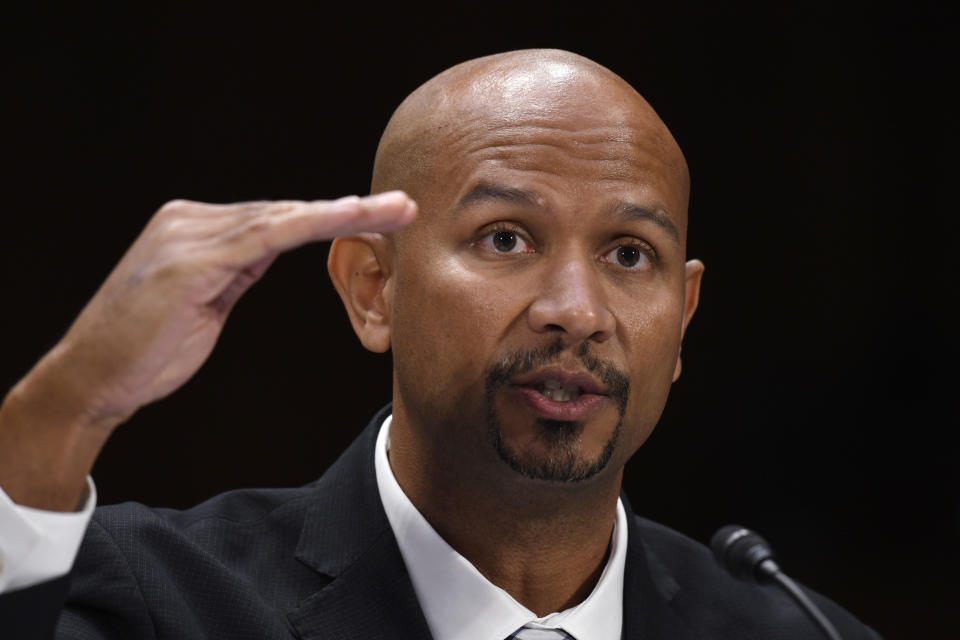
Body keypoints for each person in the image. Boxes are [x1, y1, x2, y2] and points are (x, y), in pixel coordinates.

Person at [0, 49, 880, 639]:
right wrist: (64, 407)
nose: (577, 310)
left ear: (682, 319)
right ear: (373, 288)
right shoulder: (152, 599)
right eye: (506, 238)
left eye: (627, 254)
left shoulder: (801, 631)